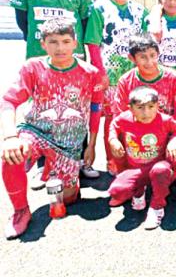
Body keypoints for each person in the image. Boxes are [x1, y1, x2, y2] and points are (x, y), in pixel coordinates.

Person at [1, 18, 102, 239]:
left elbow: (95, 109)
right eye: (53, 42)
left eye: (66, 41)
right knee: (12, 156)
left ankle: (54, 170)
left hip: (68, 144)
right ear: (43, 44)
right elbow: (9, 101)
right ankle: (20, 211)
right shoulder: (33, 67)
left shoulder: (90, 72)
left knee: (68, 199)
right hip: (35, 131)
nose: (60, 48)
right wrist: (9, 137)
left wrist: (91, 145)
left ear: (75, 43)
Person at [11, 0, 93, 187]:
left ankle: (79, 161)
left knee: (76, 109)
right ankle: (41, 163)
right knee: (43, 111)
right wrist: (40, 46)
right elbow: (22, 21)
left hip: (73, 59)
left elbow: (85, 23)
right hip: (41, 58)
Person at [108, 86, 176, 230]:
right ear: (130, 108)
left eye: (151, 107)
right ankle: (139, 191)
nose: (146, 112)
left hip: (159, 165)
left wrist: (174, 141)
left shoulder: (164, 119)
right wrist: (113, 140)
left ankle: (157, 207)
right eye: (140, 107)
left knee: (160, 170)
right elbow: (113, 126)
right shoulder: (125, 118)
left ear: (157, 106)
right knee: (117, 190)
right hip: (138, 167)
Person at [85, 0, 147, 175]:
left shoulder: (138, 11)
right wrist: (100, 73)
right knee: (112, 119)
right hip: (109, 77)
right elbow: (93, 44)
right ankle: (111, 161)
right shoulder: (99, 8)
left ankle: (130, 157)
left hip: (133, 75)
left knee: (133, 116)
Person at [113, 34, 176, 124]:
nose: (149, 62)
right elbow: (120, 117)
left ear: (158, 54)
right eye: (143, 57)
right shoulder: (125, 82)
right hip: (135, 133)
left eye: (152, 55)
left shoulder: (173, 78)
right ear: (132, 58)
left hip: (167, 132)